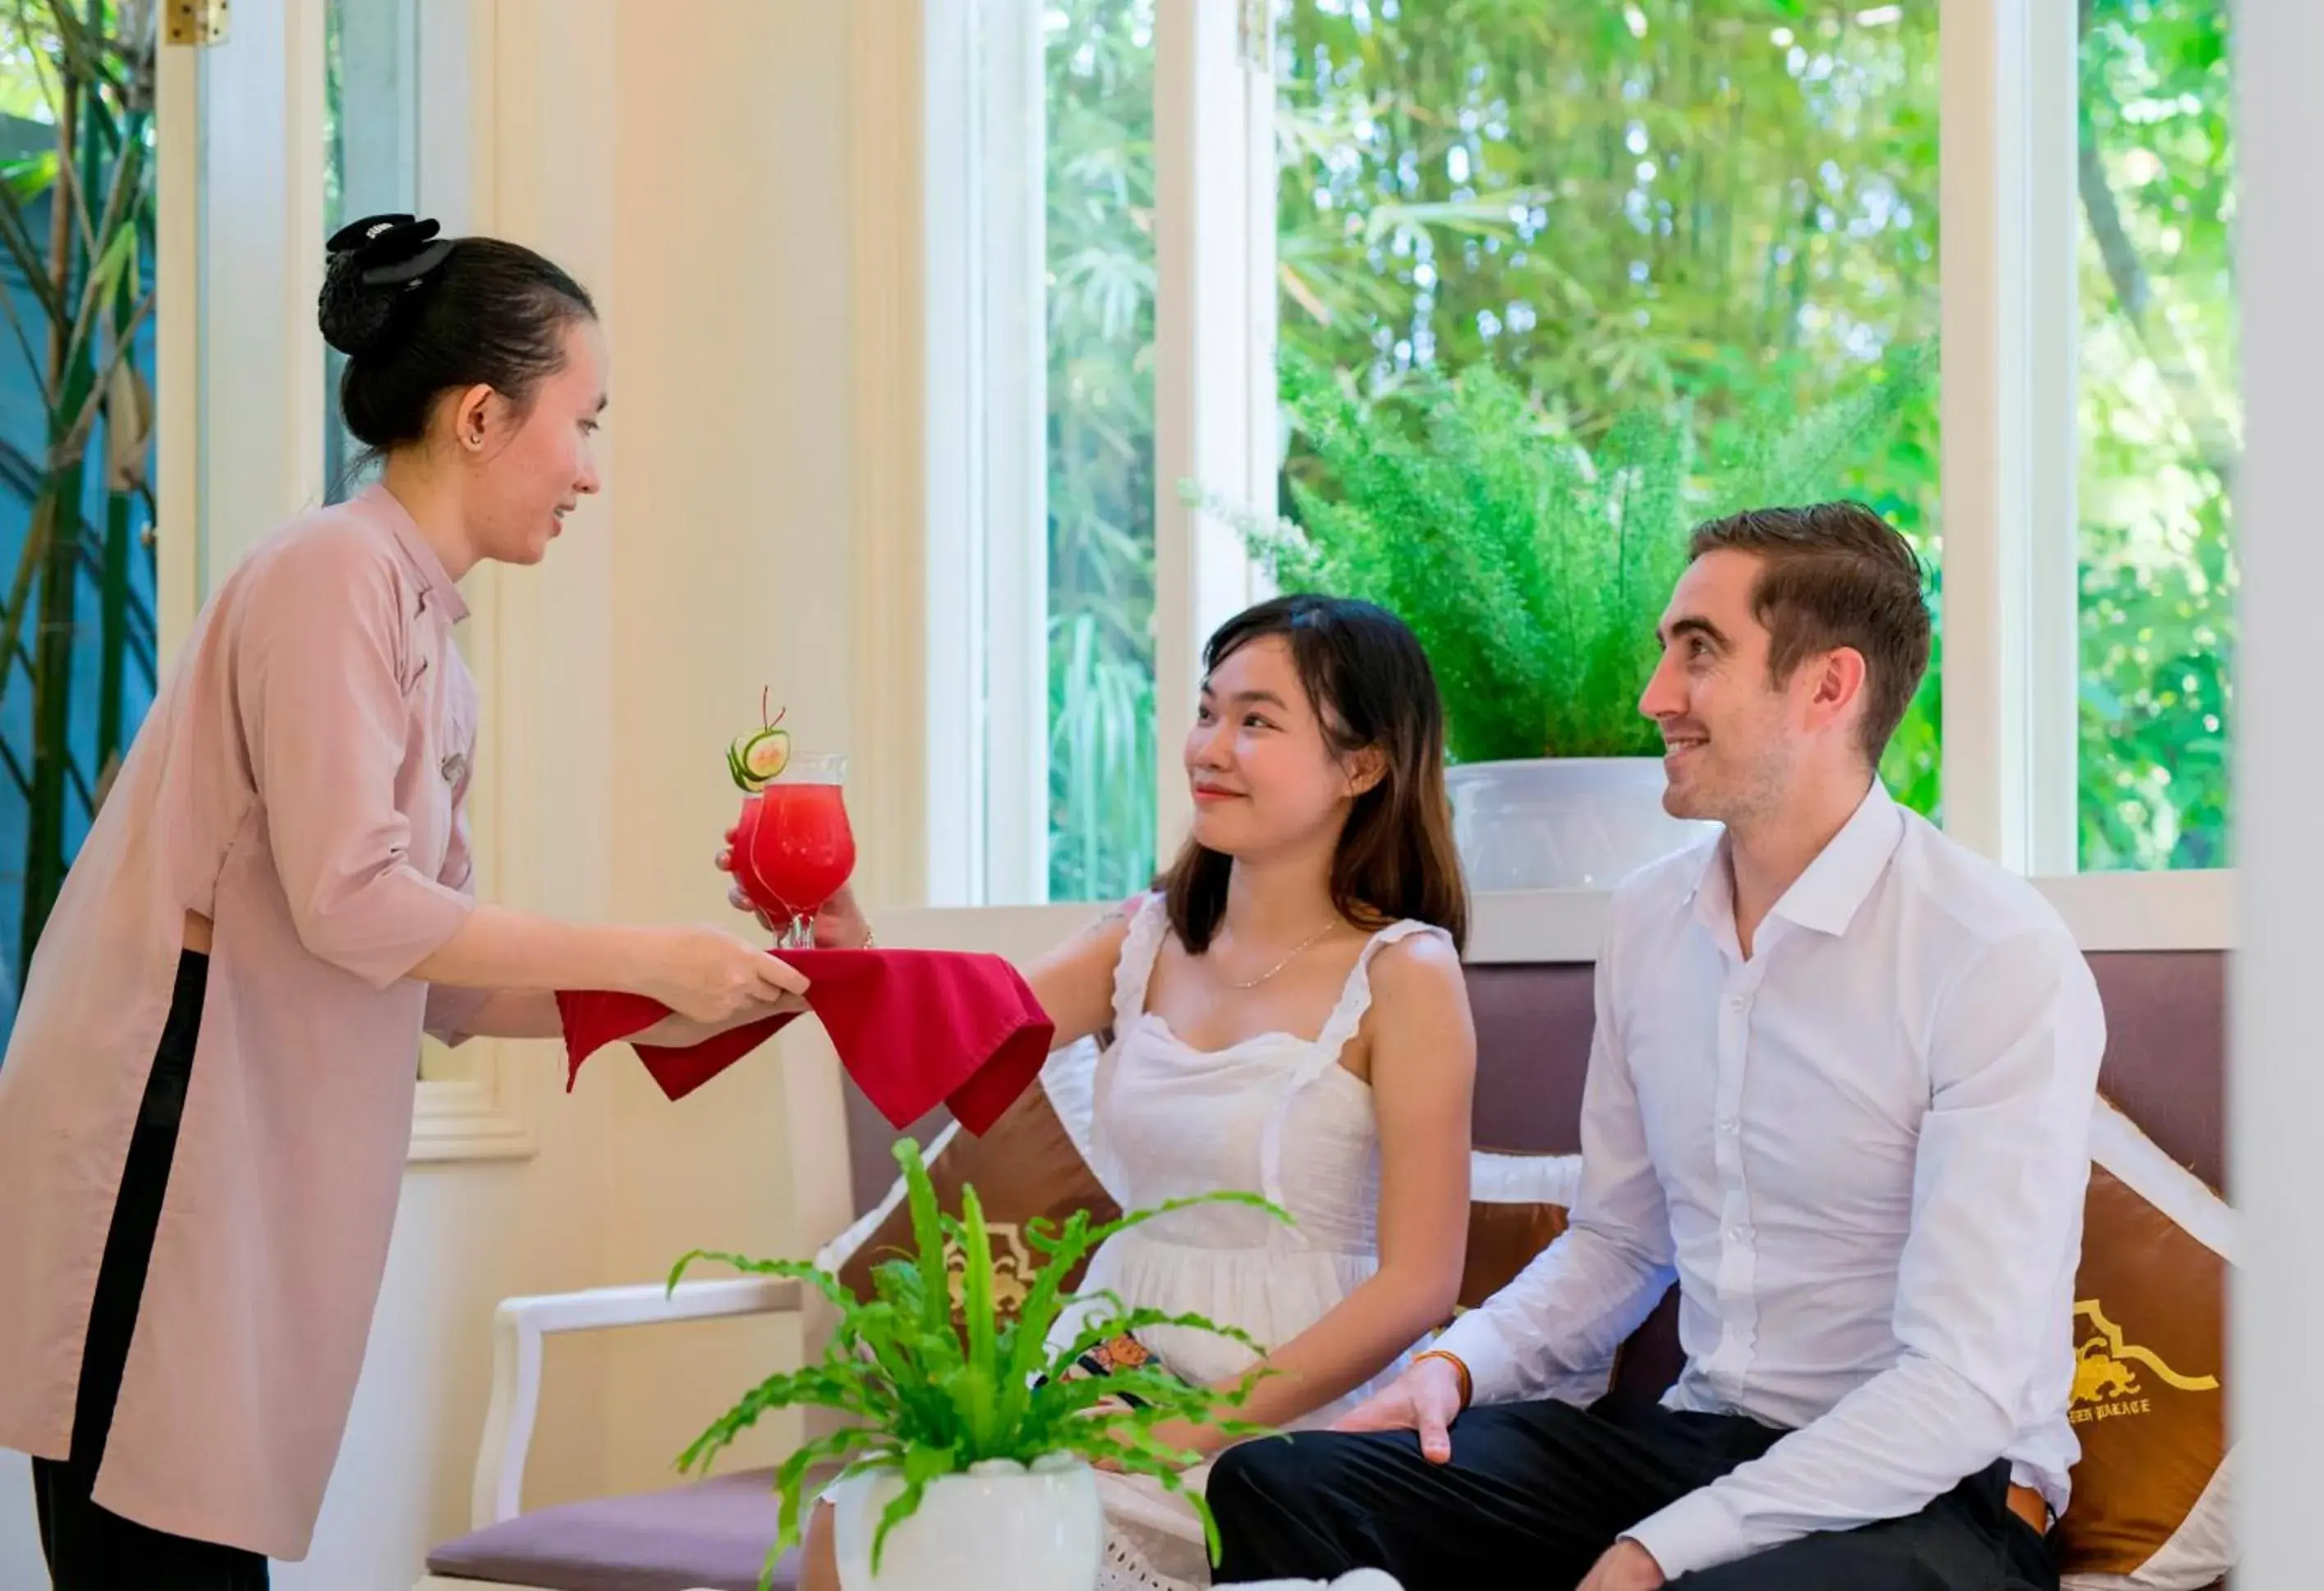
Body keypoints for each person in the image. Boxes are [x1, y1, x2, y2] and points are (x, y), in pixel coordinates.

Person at [0, 213, 810, 1591]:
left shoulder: (428, 631)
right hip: (172, 1107)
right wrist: (646, 955)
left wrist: (669, 1003)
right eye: (585, 422)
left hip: (237, 1119)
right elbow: (357, 904)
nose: (592, 474)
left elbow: (436, 971)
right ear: (484, 414)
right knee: (155, 1552)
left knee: (190, 1540)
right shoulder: (333, 573)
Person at [1206, 503, 2106, 1591]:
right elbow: (1622, 1243)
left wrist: (1656, 1550)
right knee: (1278, 1481)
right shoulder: (1647, 921)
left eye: (1700, 653)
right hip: (1699, 1438)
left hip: (1938, 1489)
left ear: (1828, 687)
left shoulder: (1994, 952)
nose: (1654, 697)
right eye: (1665, 651)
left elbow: (1961, 1387)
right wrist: (1454, 1362)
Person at [770, 594, 1480, 1591]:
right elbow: (970, 1042)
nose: (1210, 747)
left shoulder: (1407, 974)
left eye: (1257, 721)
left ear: (1363, 766)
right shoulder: (1145, 936)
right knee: (853, 1535)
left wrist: (1191, 1428)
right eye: (1206, 711)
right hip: (1102, 1376)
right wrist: (852, 952)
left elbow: (1419, 1284)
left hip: (1285, 1414)